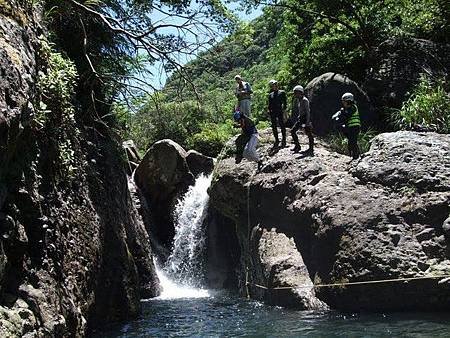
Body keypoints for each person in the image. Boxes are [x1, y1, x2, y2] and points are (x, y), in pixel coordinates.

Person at [332, 92, 361, 159]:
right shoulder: (345, 109)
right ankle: (355, 155)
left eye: (344, 102)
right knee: (351, 141)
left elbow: (347, 115)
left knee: (352, 141)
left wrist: (341, 113)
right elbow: (342, 116)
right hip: (350, 127)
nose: (343, 103)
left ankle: (356, 156)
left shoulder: (353, 107)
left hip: (355, 127)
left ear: (349, 101)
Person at [290, 85, 314, 155]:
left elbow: (308, 111)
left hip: (305, 118)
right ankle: (297, 146)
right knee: (293, 131)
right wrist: (299, 116)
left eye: (296, 93)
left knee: (309, 133)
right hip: (301, 118)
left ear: (300, 92)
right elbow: (301, 110)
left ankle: (311, 148)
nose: (295, 94)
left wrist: (307, 122)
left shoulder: (304, 100)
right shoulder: (299, 100)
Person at [267, 79, 287, 147]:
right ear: (271, 87)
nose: (274, 86)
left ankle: (284, 139)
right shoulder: (270, 95)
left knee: (282, 125)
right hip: (273, 112)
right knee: (274, 126)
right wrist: (269, 112)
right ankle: (277, 139)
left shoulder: (282, 92)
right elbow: (269, 105)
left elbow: (285, 103)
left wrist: (284, 112)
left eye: (275, 84)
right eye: (273, 85)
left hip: (279, 110)